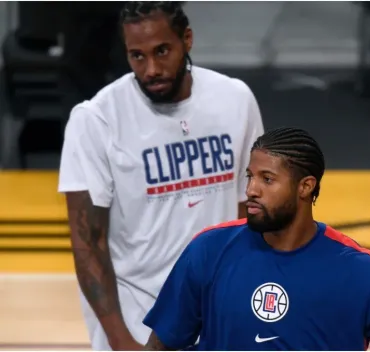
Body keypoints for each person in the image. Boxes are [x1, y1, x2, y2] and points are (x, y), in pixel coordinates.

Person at [57, 1, 264, 350]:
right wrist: (120, 340)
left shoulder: (236, 100)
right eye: (137, 56)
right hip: (137, 318)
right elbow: (87, 243)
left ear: (187, 39)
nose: (151, 68)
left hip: (217, 315)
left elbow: (250, 209)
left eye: (162, 51)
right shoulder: (96, 119)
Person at [142, 127, 370, 351]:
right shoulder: (209, 250)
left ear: (305, 187)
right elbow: (159, 345)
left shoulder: (362, 271)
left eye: (267, 179)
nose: (251, 189)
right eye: (250, 176)